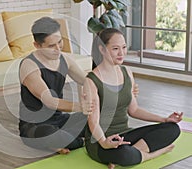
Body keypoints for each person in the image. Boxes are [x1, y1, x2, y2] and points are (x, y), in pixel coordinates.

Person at [83, 28, 183, 169]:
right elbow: (93, 121)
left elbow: (134, 110)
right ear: (102, 49)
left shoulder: (126, 72)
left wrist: (164, 119)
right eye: (115, 48)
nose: (121, 53)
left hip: (124, 135)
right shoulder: (91, 80)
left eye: (124, 47)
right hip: (99, 141)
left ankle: (133, 154)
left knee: (173, 129)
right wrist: (105, 142)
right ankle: (154, 154)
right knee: (124, 154)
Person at [18, 17, 88, 154]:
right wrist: (80, 106)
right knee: (54, 135)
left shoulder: (65, 59)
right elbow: (49, 101)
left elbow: (87, 81)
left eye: (60, 42)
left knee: (96, 119)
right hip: (35, 126)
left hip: (60, 120)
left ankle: (67, 141)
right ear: (37, 45)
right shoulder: (29, 66)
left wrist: (123, 87)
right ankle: (78, 141)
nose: (58, 49)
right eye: (51, 46)